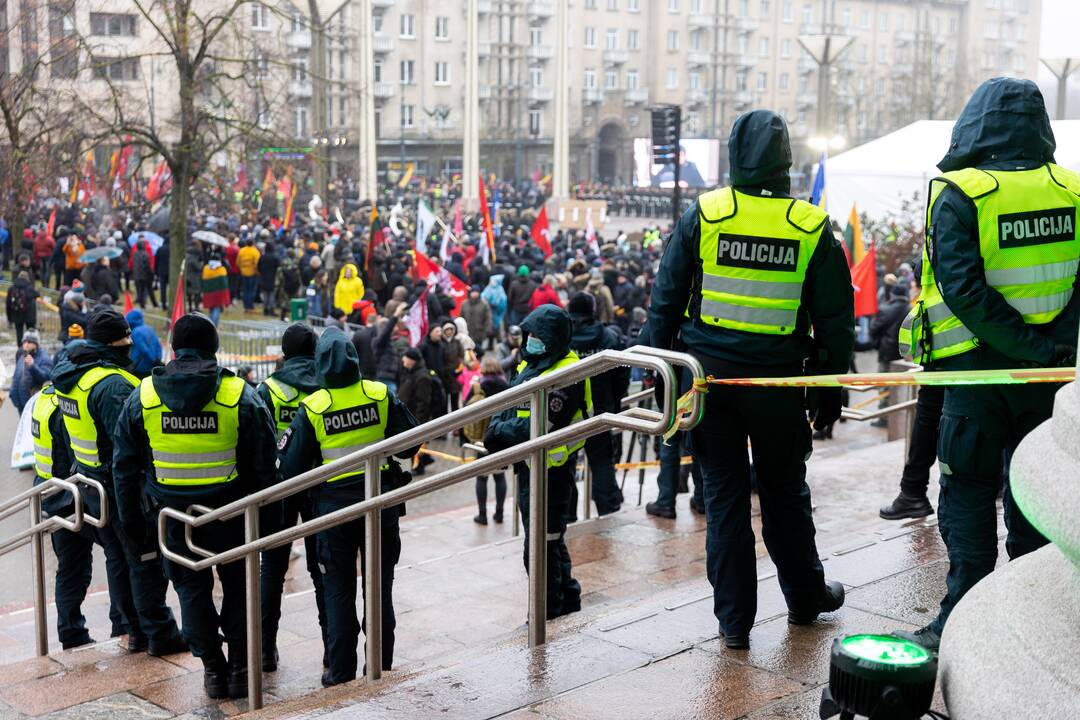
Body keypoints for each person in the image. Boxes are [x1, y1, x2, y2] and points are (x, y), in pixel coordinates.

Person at [646, 110, 853, 649]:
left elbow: (664, 302)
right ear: (786, 161)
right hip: (779, 389)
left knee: (724, 500)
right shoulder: (810, 225)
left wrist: (660, 376)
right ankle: (806, 598)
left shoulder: (706, 214)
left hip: (710, 385)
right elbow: (834, 320)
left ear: (736, 155)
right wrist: (830, 387)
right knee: (786, 494)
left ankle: (734, 622)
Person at [892, 79, 1080, 651]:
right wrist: (1053, 348)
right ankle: (1035, 616)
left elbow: (964, 292)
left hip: (975, 374)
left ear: (975, 122)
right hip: (1050, 377)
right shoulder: (1073, 190)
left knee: (968, 491)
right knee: (1032, 488)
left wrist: (1023, 346)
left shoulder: (959, 193)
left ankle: (962, 617)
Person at [112, 313, 278, 699]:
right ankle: (239, 668)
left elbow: (124, 466)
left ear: (173, 347)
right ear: (214, 347)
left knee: (190, 590)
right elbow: (265, 467)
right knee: (238, 588)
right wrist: (269, 522)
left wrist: (132, 523)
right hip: (232, 515)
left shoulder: (144, 396)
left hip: (173, 519)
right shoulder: (240, 395)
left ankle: (213, 670)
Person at [277, 328, 420, 686]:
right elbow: (411, 442)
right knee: (380, 587)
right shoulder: (378, 394)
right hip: (379, 505)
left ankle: (339, 675)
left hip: (333, 512)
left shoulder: (313, 407)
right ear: (355, 360)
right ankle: (381, 667)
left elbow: (290, 467)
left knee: (338, 593)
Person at [51, 307, 187, 656]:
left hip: (91, 484)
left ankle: (134, 629)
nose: (130, 347)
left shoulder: (72, 377)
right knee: (143, 561)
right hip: (118, 487)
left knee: (123, 560)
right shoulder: (112, 385)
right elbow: (129, 446)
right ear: (113, 344)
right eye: (126, 341)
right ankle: (158, 632)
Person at [485, 305, 591, 619]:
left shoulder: (566, 372)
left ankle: (548, 610)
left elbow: (543, 421)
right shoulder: (531, 363)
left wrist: (500, 433)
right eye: (528, 333)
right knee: (548, 537)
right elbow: (509, 401)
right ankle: (568, 596)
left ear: (553, 338)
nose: (529, 339)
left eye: (536, 335)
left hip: (552, 468)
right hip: (530, 463)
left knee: (541, 542)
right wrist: (497, 429)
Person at [257, 323, 327, 673]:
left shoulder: (267, 389)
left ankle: (265, 650)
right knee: (323, 569)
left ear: (283, 356)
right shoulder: (329, 383)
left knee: (272, 568)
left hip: (279, 486)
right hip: (321, 485)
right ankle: (333, 649)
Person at [881, 269, 940, 521]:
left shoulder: (944, 234)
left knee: (927, 422)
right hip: (954, 354)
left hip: (948, 355)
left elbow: (922, 266)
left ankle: (913, 492)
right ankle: (912, 492)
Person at [567, 292, 626, 516]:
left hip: (567, 414)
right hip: (600, 411)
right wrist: (614, 403)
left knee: (565, 463)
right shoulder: (608, 338)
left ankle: (568, 512)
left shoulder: (564, 337)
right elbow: (622, 376)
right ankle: (608, 509)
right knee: (602, 462)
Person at [463, 354, 509, 525]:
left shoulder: (478, 386)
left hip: (481, 439)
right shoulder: (506, 385)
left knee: (482, 477)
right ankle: (500, 513)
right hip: (500, 435)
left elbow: (465, 410)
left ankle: (482, 515)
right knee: (499, 476)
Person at [867, 283, 910, 426]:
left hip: (886, 353)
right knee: (899, 386)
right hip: (904, 354)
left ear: (892, 295)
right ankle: (895, 414)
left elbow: (873, 330)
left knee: (884, 384)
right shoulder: (911, 309)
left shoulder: (885, 309)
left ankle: (884, 417)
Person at [11, 331, 52, 414]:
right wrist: (12, 393)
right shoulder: (22, 355)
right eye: (24, 342)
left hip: (33, 403)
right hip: (20, 403)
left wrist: (33, 366)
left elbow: (46, 377)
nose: (26, 344)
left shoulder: (44, 358)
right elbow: (17, 376)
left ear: (36, 344)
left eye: (29, 342)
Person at [6, 270, 38, 344]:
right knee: (30, 334)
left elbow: (8, 303)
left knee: (19, 333)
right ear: (27, 278)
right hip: (30, 315)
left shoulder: (12, 288)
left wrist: (9, 318)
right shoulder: (29, 287)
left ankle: (20, 350)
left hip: (16, 313)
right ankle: (30, 349)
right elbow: (37, 294)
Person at [237, 238, 261, 312]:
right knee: (251, 290)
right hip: (253, 274)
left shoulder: (241, 251)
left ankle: (246, 306)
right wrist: (258, 273)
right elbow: (257, 264)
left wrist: (242, 269)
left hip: (244, 273)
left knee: (245, 290)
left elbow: (238, 262)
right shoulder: (255, 252)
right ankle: (250, 306)